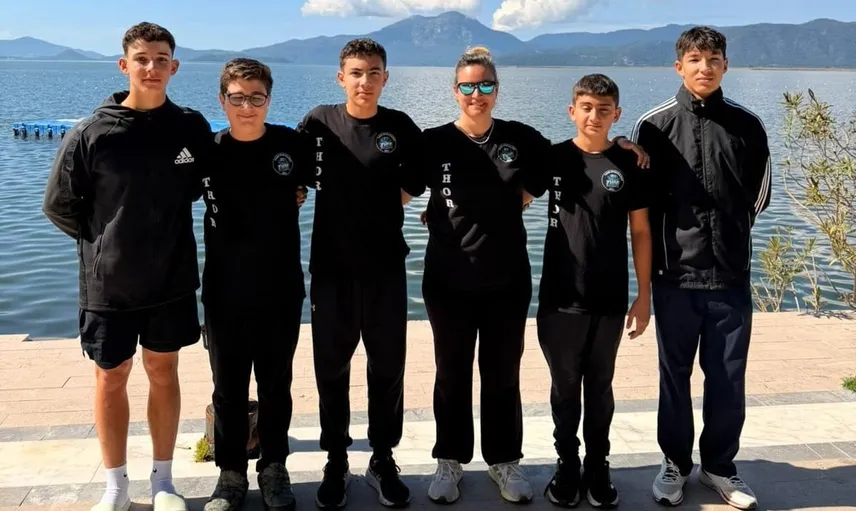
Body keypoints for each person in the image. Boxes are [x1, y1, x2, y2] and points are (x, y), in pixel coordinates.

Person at [419, 48, 648, 506]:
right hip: (447, 281)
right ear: (455, 90)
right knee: (451, 373)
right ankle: (450, 459)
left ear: (497, 89)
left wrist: (624, 142)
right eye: (468, 86)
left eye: (485, 85)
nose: (477, 94)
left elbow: (583, 150)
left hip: (507, 281)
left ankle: (504, 460)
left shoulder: (522, 139)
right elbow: (396, 185)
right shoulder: (432, 141)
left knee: (503, 374)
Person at [42, 22, 212, 511]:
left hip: (172, 278)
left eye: (161, 59)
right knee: (111, 375)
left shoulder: (190, 128)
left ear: (174, 67)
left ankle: (163, 483)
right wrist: (103, 244)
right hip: (109, 284)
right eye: (142, 58)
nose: (151, 67)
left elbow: (209, 183)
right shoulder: (92, 132)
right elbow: (58, 205)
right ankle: (116, 487)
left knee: (164, 370)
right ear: (124, 65)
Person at [631, 26, 771, 510]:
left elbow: (759, 196)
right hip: (675, 276)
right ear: (679, 67)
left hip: (730, 276)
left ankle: (720, 467)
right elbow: (643, 204)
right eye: (694, 59)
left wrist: (729, 234)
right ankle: (674, 463)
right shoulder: (654, 126)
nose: (704, 67)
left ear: (725, 66)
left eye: (713, 59)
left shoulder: (748, 125)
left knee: (728, 377)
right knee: (674, 375)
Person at [295, 38, 426, 509]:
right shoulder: (318, 122)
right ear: (341, 78)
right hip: (331, 271)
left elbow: (419, 177)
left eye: (373, 72)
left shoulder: (400, 126)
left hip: (385, 269)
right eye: (355, 72)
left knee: (387, 368)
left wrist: (385, 204)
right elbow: (289, 168)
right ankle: (336, 460)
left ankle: (382, 459)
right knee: (331, 369)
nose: (364, 81)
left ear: (385, 78)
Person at [537, 73, 652, 509]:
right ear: (572, 111)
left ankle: (598, 465)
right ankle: (567, 463)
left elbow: (640, 232)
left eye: (604, 110)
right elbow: (508, 190)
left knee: (600, 387)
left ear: (616, 114)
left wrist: (644, 295)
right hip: (559, 298)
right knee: (565, 388)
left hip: (609, 298)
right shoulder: (552, 158)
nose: (594, 116)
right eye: (586, 108)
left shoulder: (629, 164)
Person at [200, 58, 310, 511]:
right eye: (237, 98)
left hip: (280, 288)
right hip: (223, 290)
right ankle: (230, 473)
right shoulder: (207, 151)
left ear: (269, 99)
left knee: (275, 384)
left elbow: (343, 179)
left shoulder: (291, 146)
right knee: (228, 387)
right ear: (222, 100)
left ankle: (274, 467)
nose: (247, 107)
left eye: (256, 97)